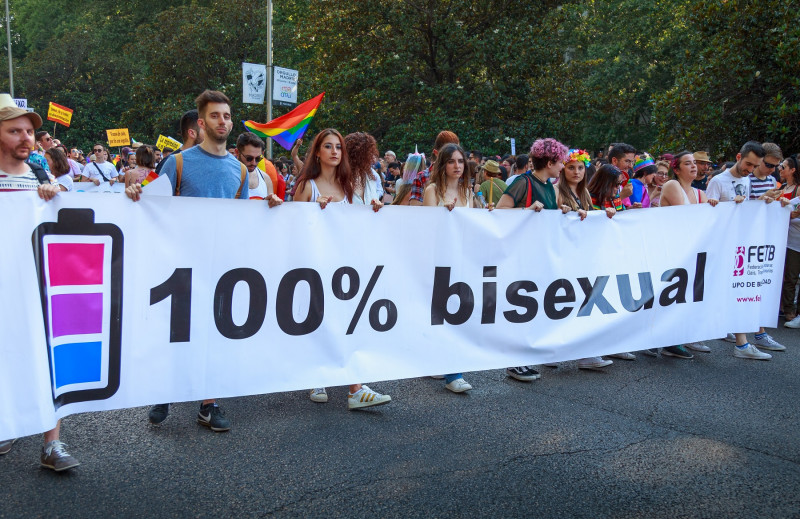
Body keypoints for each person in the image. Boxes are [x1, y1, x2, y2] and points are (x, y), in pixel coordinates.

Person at [127, 90, 252, 431]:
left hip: (220, 266)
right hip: (179, 267)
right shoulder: (178, 162)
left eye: (227, 116)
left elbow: (242, 220)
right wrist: (134, 193)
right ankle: (166, 391)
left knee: (214, 334)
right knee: (177, 334)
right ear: (201, 123)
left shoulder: (240, 171)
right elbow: (152, 204)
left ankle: (209, 405)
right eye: (215, 116)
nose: (222, 121)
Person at [0, 93, 79, 471]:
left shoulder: (39, 175)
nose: (25, 138)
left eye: (29, 131)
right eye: (14, 130)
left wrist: (56, 192)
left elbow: (72, 215)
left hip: (40, 287)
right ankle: (8, 421)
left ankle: (52, 442)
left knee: (51, 360)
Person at [293, 128, 391, 408]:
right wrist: (313, 215)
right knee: (317, 320)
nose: (335, 151)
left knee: (348, 321)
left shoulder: (348, 186)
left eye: (338, 147)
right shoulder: (307, 186)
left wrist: (370, 211)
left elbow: (352, 226)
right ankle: (316, 377)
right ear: (318, 152)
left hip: (343, 264)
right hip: (313, 265)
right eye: (328, 146)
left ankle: (355, 388)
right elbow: (291, 229)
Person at [497, 138, 572, 378]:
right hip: (520, 255)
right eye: (560, 163)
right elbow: (500, 211)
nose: (562, 167)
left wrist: (561, 212)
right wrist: (526, 211)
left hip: (537, 255)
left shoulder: (549, 185)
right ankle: (514, 360)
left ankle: (524, 357)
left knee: (531, 307)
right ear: (550, 162)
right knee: (521, 307)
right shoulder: (523, 182)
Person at [706, 141, 786, 359]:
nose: (750, 170)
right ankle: (738, 342)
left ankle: (741, 342)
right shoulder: (718, 181)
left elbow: (746, 211)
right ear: (739, 157)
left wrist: (763, 201)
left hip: (741, 245)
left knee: (740, 291)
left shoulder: (746, 180)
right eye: (748, 164)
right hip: (722, 246)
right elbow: (707, 215)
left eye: (754, 166)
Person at [422, 142, 478, 392]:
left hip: (463, 259)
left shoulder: (468, 192)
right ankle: (452, 374)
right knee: (442, 315)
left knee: (458, 314)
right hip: (439, 261)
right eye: (451, 161)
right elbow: (427, 228)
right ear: (442, 165)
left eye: (460, 161)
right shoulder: (432, 190)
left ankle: (445, 364)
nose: (457, 166)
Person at [555, 149, 614, 370]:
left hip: (582, 255)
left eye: (580, 168)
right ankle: (554, 350)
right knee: (561, 303)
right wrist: (563, 212)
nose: (576, 172)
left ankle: (586, 352)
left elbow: (590, 219)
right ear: (563, 169)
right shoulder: (556, 191)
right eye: (571, 167)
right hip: (564, 255)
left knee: (584, 302)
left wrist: (605, 214)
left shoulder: (585, 194)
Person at [778, 156, 800, 327]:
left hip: (793, 237)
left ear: (793, 170)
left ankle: (794, 312)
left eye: (783, 166)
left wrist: (790, 214)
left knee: (791, 277)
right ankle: (788, 309)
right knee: (789, 277)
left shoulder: (797, 190)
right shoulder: (781, 187)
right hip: (786, 239)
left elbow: (793, 213)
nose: (780, 169)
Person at [409, 130, 460, 205]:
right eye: (448, 154)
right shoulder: (422, 177)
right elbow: (415, 209)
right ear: (436, 153)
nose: (456, 165)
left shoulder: (461, 176)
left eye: (458, 152)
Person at [155, 109, 204, 175]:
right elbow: (147, 185)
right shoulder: (167, 162)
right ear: (192, 133)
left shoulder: (207, 161)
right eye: (206, 130)